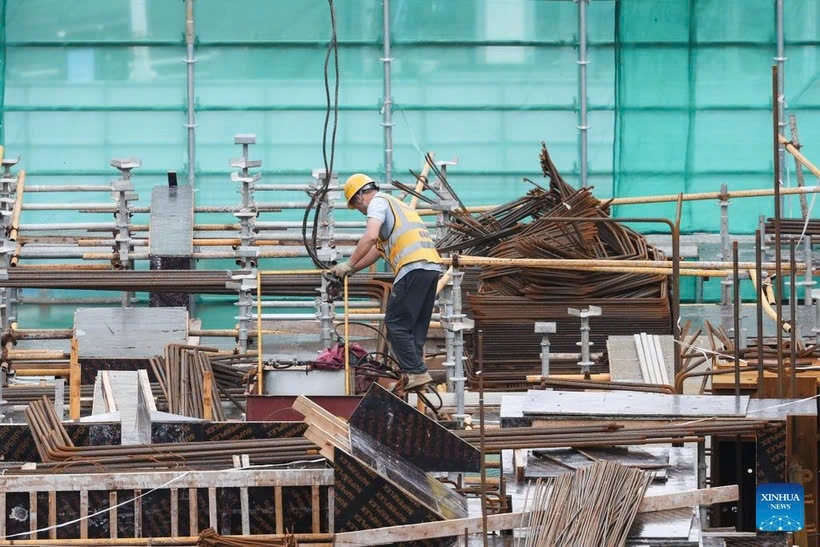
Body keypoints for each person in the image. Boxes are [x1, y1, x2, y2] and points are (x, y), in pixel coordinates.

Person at [330, 173, 442, 390]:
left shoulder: (377, 203)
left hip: (412, 267)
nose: (361, 211)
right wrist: (351, 268)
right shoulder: (398, 207)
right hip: (430, 268)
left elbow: (370, 236)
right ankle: (415, 372)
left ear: (360, 196)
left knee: (395, 323)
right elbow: (377, 250)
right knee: (414, 328)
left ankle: (416, 372)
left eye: (356, 205)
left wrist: (348, 262)